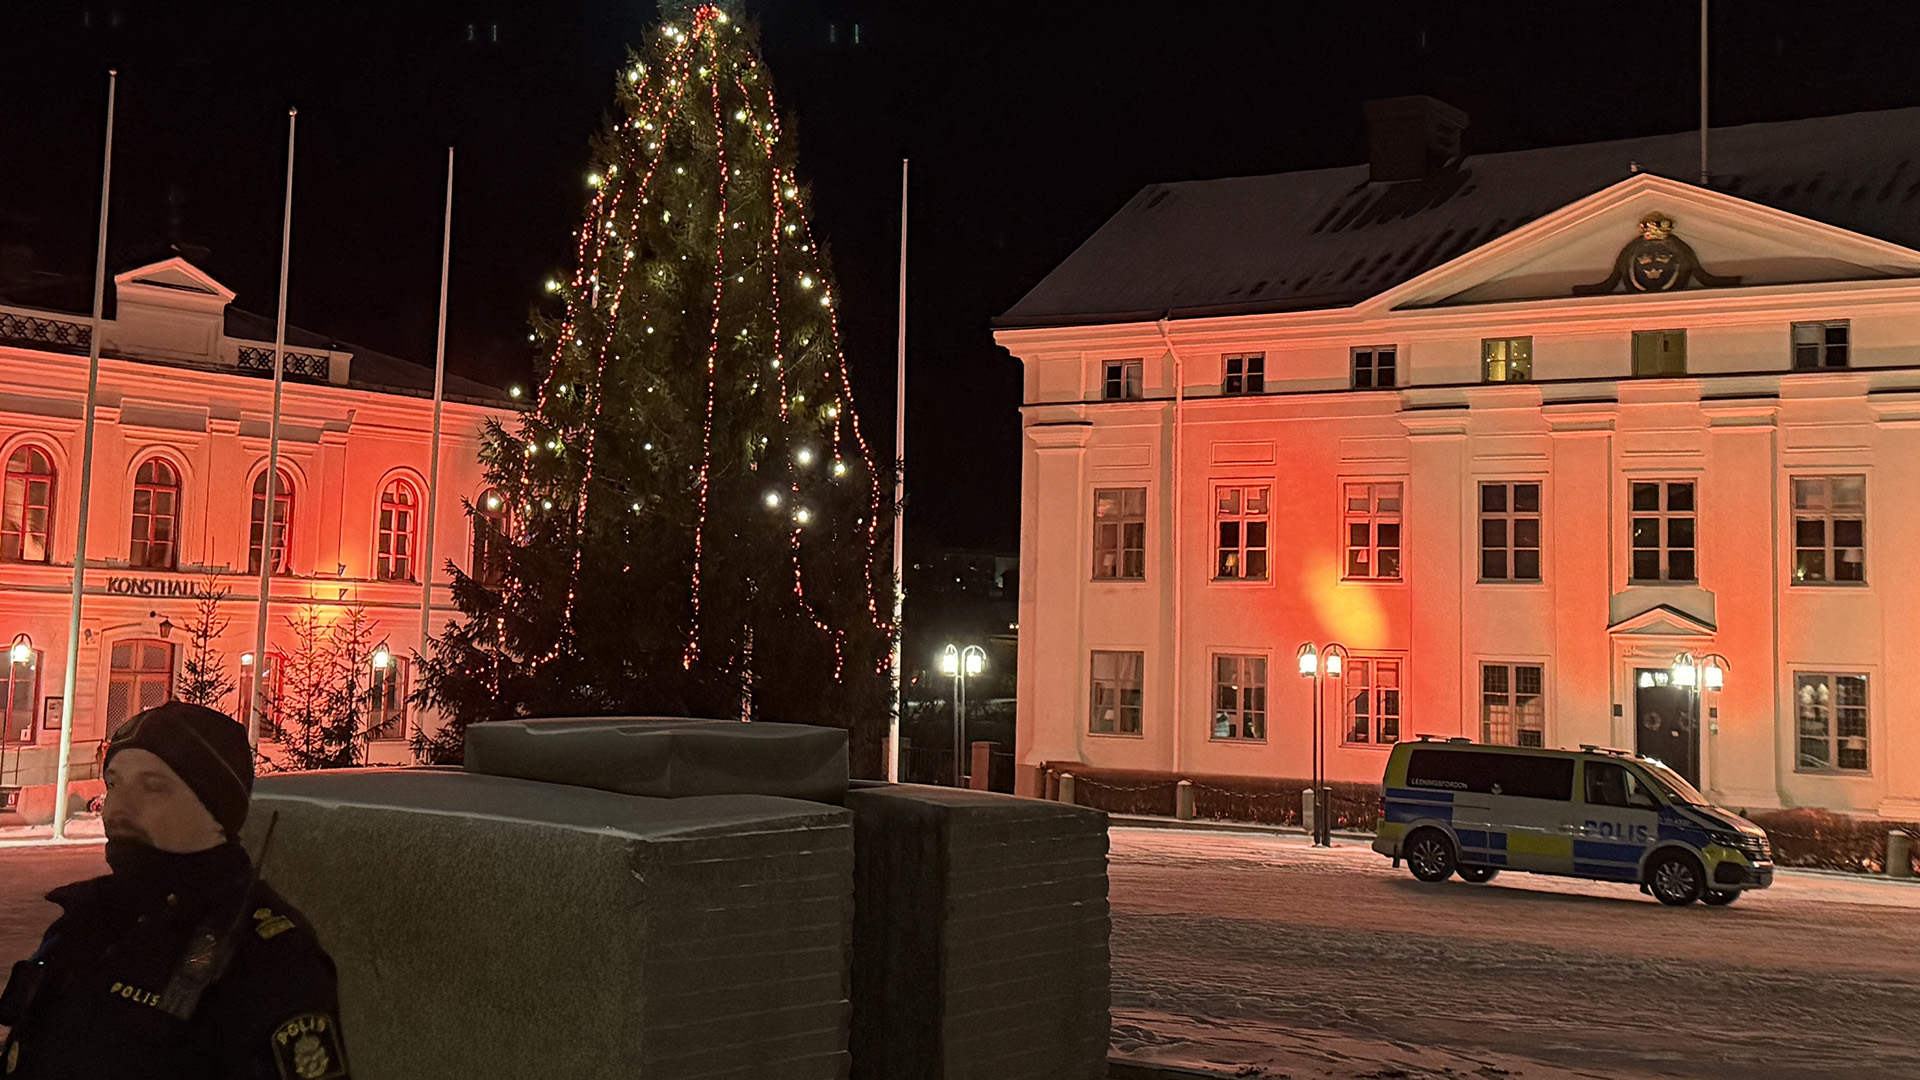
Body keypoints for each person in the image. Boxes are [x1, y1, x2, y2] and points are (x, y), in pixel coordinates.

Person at [0, 702, 349, 1079]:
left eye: (153, 787)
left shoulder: (266, 956)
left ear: (216, 810)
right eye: (114, 784)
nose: (118, 807)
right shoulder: (85, 919)